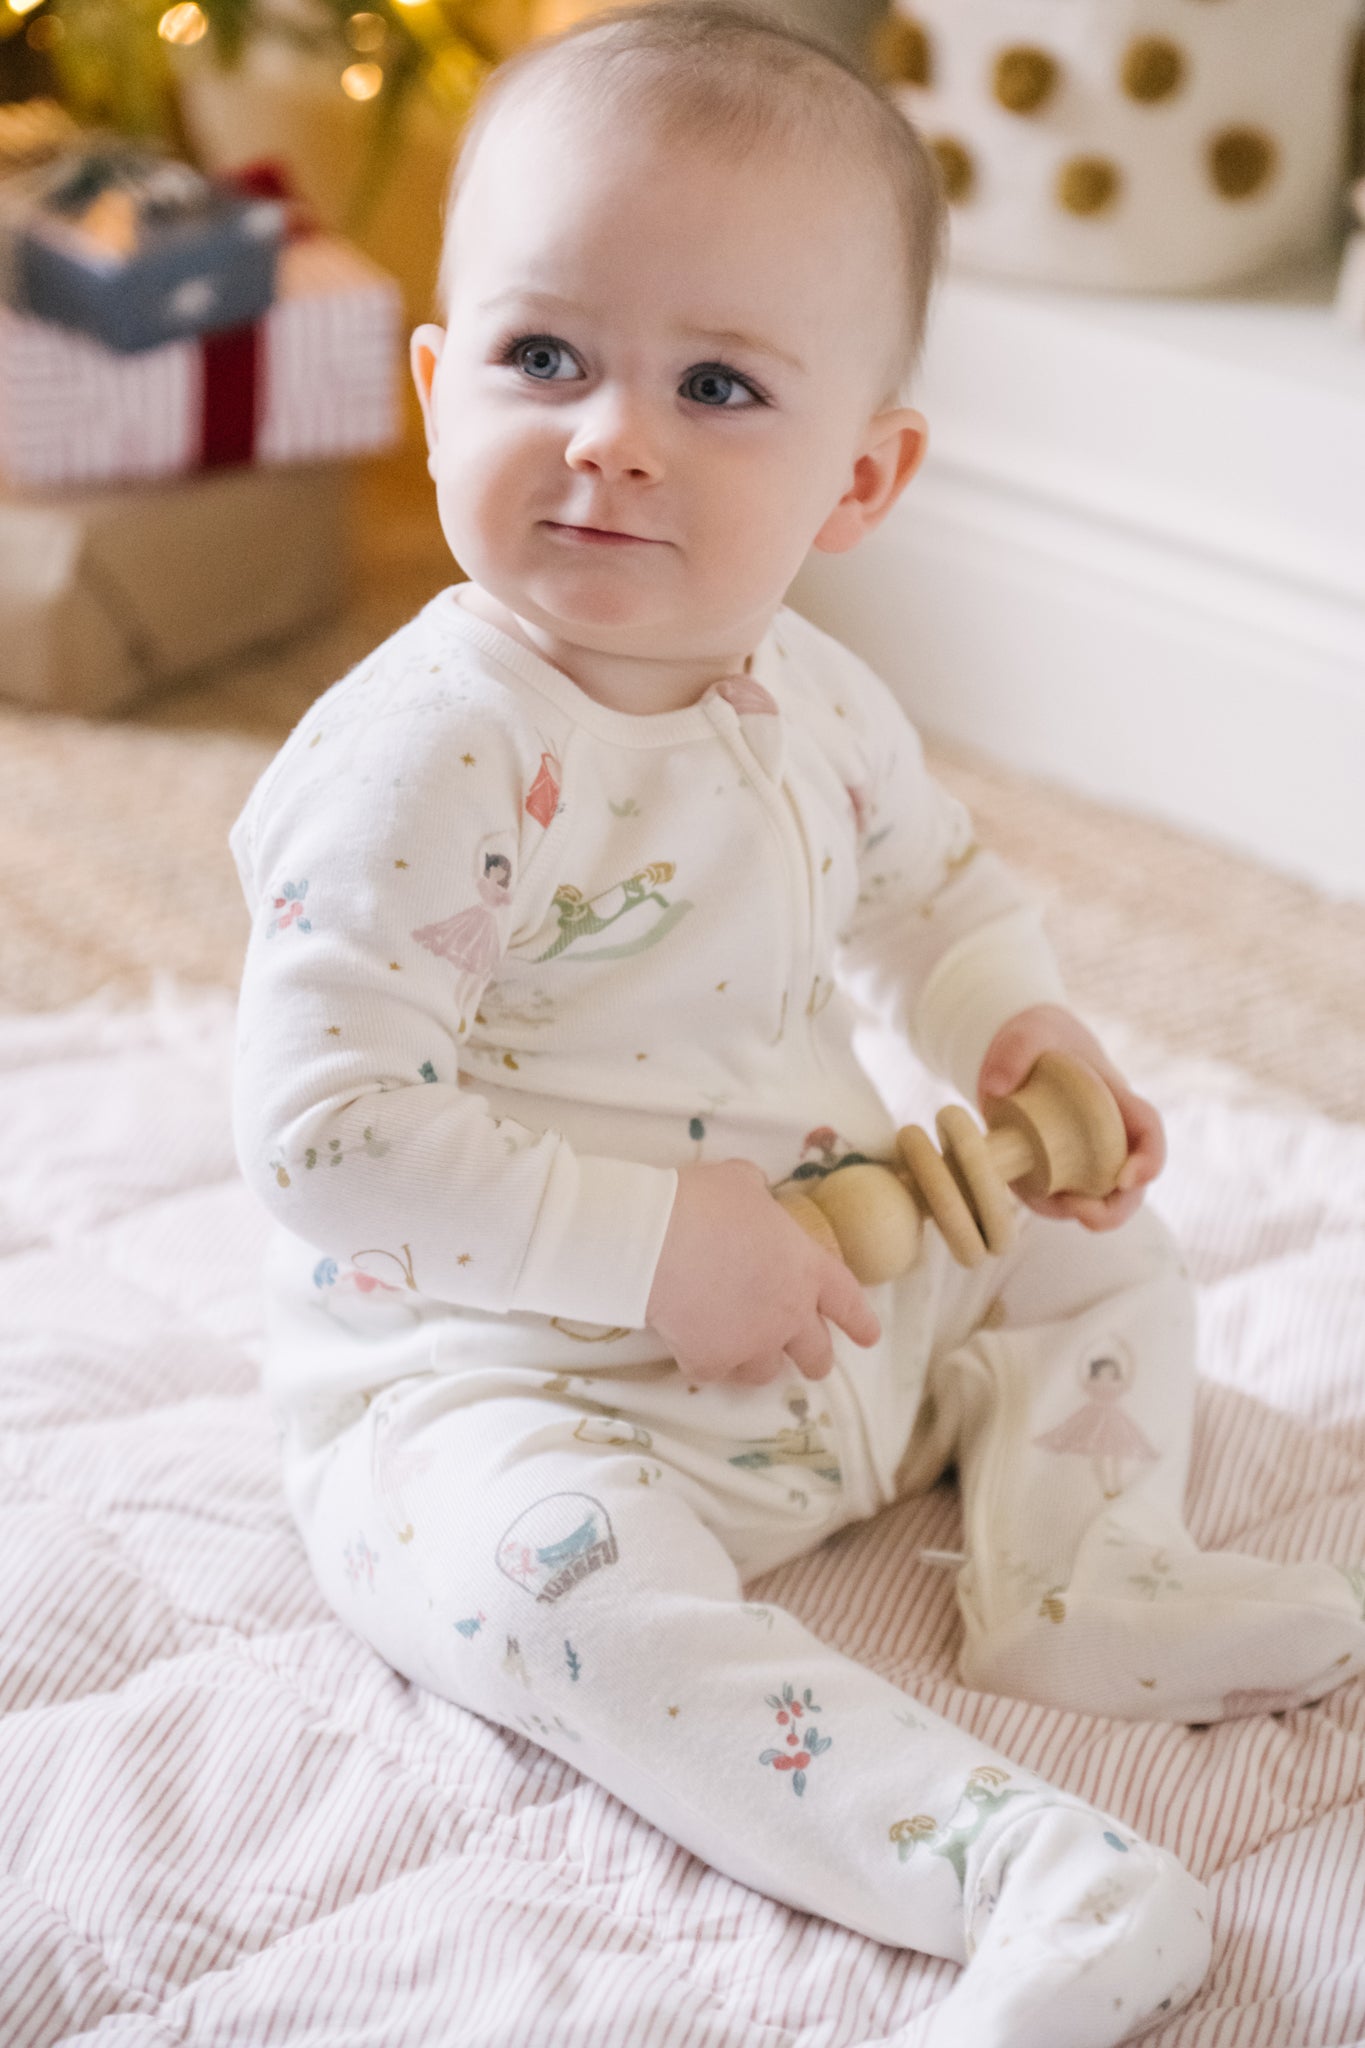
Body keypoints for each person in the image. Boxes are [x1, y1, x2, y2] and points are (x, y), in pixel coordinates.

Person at [228, 4, 1364, 2039]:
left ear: (862, 476)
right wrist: (650, 1251)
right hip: (514, 1372)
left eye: (716, 384)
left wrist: (1013, 1032)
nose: (611, 434)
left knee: (1094, 1238)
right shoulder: (424, 755)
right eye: (543, 357)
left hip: (835, 1284)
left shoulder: (814, 694)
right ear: (433, 384)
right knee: (543, 1597)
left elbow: (935, 892)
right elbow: (323, 1139)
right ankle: (1023, 1872)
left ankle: (1075, 1565)